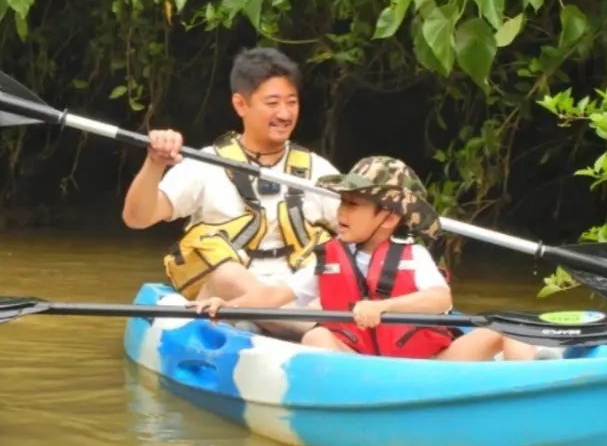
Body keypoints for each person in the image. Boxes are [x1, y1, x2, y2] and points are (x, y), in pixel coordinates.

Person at [196, 156, 549, 362]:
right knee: (316, 338)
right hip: (362, 366)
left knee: (504, 329)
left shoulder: (414, 255)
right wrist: (227, 307)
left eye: (353, 204)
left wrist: (382, 307)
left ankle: (531, 390)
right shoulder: (330, 257)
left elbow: (441, 299)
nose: (341, 212)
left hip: (431, 365)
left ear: (390, 217)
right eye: (341, 202)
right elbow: (277, 295)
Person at [121, 47, 339, 306]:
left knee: (331, 277)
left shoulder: (318, 169)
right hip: (228, 295)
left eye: (292, 102)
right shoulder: (206, 163)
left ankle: (306, 327)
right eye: (272, 103)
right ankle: (306, 328)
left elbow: (361, 230)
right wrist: (155, 163)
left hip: (296, 293)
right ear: (240, 104)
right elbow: (137, 218)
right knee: (229, 276)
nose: (284, 114)